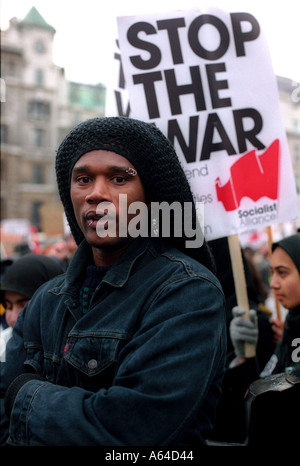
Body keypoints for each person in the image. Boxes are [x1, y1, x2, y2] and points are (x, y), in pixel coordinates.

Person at [0, 116, 226, 446]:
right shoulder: (46, 299)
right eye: (83, 179)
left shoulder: (188, 292)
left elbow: (131, 430)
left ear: (150, 198)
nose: (96, 194)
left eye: (119, 179)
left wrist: (27, 395)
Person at [0, 254, 65, 361]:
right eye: (9, 307)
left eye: (24, 307)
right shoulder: (2, 345)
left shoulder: (72, 351)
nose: (13, 319)